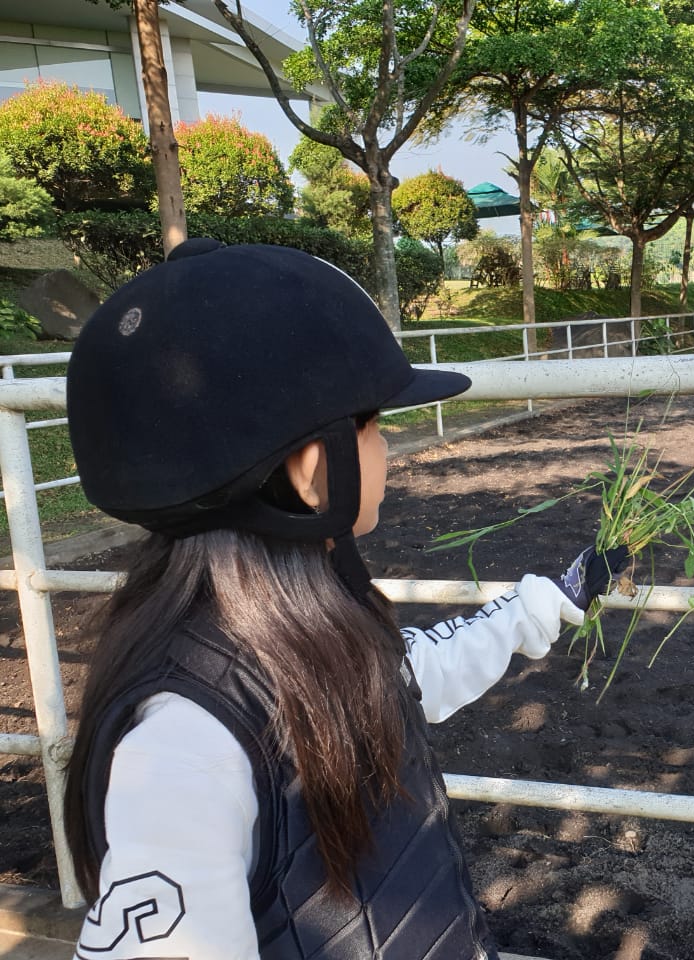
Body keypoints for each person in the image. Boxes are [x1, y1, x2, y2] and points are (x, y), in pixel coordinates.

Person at [61, 239, 626, 959]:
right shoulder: (185, 747)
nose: (388, 448)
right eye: (374, 426)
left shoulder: (317, 631)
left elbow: (407, 674)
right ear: (308, 469)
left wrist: (542, 606)